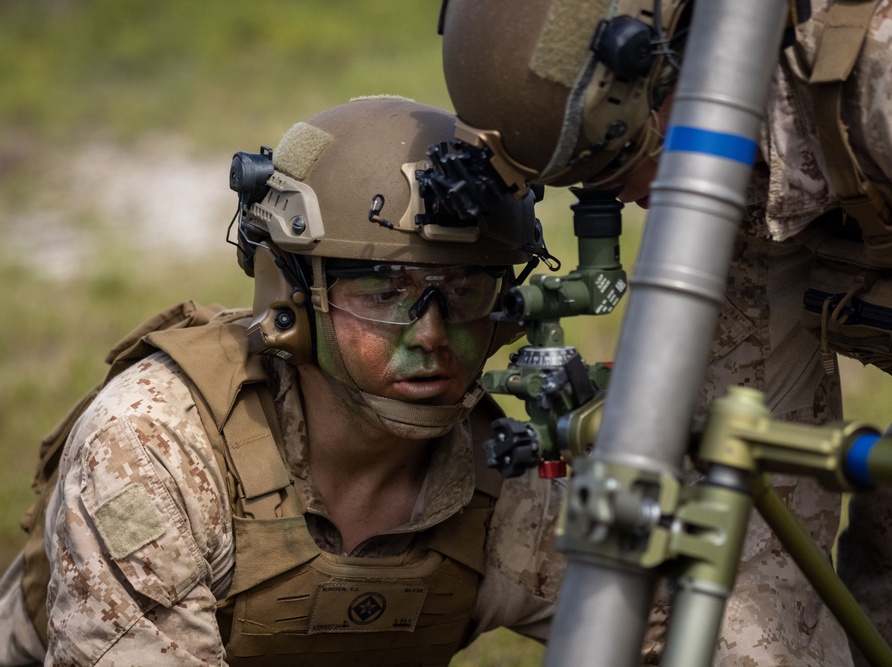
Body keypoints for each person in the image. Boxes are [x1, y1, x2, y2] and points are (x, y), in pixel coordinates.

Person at [436, 0, 892, 665]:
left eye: (616, 163)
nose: (612, 198)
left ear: (663, 68)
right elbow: (748, 511)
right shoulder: (733, 156)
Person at [0, 96, 567, 665]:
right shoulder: (155, 446)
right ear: (291, 297)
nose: (431, 335)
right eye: (382, 292)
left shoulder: (501, 479)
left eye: (466, 291)